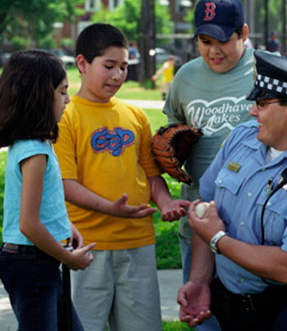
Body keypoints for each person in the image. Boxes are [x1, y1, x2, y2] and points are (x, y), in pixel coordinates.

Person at [177, 50, 287, 330]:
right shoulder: (242, 137)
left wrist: (218, 239)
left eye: (261, 103)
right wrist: (199, 280)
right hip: (233, 301)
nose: (252, 111)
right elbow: (206, 209)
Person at [53, 23, 190, 331]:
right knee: (83, 325)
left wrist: (165, 201)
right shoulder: (66, 116)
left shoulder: (135, 115)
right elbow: (65, 184)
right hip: (86, 246)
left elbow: (151, 173)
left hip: (137, 241)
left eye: (124, 67)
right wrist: (110, 208)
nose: (118, 75)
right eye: (109, 66)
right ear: (83, 64)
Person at [162, 0, 256, 330]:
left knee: (253, 316)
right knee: (204, 315)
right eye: (204, 41)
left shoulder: (267, 69)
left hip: (253, 221)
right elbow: (170, 135)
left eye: (222, 40)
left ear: (243, 33)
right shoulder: (185, 77)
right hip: (200, 216)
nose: (213, 51)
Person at [0, 50, 95, 330]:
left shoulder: (40, 145)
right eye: (62, 91)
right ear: (39, 96)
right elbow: (28, 223)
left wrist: (66, 226)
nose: (68, 99)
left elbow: (44, 205)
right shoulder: (34, 152)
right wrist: (69, 258)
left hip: (41, 257)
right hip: (30, 262)